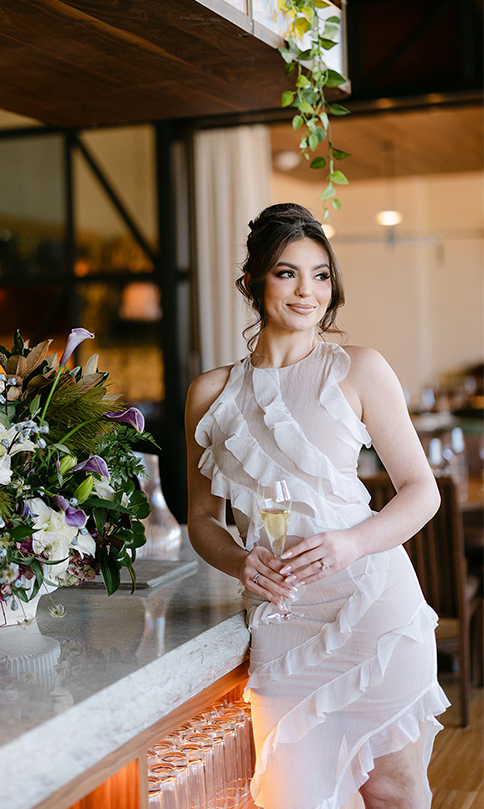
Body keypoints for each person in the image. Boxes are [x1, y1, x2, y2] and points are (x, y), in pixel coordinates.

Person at [185, 203, 449, 809]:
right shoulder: (210, 392)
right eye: (287, 273)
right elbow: (202, 519)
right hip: (282, 616)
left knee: (395, 789)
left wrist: (351, 542)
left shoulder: (361, 369)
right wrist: (237, 561)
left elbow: (421, 490)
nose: (308, 291)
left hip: (374, 604)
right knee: (293, 797)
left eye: (321, 274)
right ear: (252, 283)